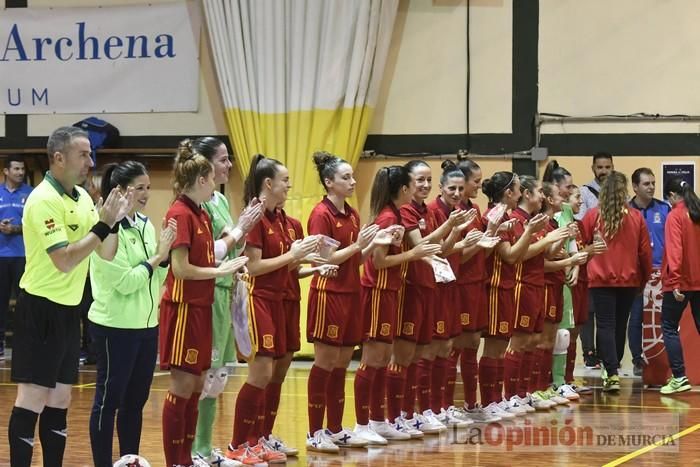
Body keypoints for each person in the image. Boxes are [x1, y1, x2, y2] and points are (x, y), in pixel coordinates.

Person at [8, 126, 133, 467]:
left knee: (61, 398)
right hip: (39, 310)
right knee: (32, 397)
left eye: (91, 154)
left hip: (68, 311)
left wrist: (115, 221)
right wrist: (102, 224)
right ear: (59, 158)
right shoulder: (42, 200)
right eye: (84, 154)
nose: (90, 162)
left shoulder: (80, 198)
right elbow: (64, 260)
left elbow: (105, 252)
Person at [159, 141, 248, 467]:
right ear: (200, 180)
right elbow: (180, 268)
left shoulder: (199, 213)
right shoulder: (179, 213)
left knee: (197, 384)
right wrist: (219, 269)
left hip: (201, 306)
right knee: (184, 384)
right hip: (183, 309)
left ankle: (187, 457)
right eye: (212, 178)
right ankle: (175, 461)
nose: (216, 184)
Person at [227, 154, 317, 463]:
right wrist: (293, 256)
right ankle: (238, 443)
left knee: (275, 373)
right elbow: (253, 267)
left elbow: (287, 265)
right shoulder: (255, 217)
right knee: (261, 372)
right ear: (269, 183)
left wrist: (310, 262)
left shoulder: (283, 219)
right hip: (259, 299)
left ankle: (258, 439)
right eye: (285, 180)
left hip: (281, 301)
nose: (289, 186)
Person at [88, 161, 177, 467]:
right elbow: (125, 283)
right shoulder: (105, 229)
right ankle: (102, 462)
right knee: (108, 401)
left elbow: (155, 279)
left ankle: (128, 460)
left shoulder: (145, 225)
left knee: (135, 402)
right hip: (114, 327)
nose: (146, 194)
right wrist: (158, 258)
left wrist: (161, 262)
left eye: (148, 187)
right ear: (122, 191)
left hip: (146, 326)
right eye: (140, 188)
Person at [188, 137, 263, 467]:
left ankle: (205, 447)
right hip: (208, 295)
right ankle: (191, 450)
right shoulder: (198, 203)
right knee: (203, 376)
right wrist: (240, 229)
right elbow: (214, 248)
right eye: (222, 159)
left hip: (227, 292)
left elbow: (232, 243)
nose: (229, 165)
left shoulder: (218, 198)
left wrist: (244, 227)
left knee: (218, 377)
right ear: (204, 165)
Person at [352, 165, 441, 444]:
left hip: (391, 292)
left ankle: (379, 420)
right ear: (404, 189)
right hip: (378, 292)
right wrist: (413, 253)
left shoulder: (396, 215)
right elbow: (378, 262)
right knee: (373, 359)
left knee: (382, 360)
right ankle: (361, 423)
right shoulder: (388, 217)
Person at [306, 151, 380, 452]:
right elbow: (323, 258)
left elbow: (355, 259)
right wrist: (356, 246)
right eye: (345, 177)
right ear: (329, 182)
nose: (352, 181)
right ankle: (314, 432)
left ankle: (335, 429)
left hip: (351, 293)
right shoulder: (321, 214)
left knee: (340, 364)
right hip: (329, 294)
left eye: (353, 176)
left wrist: (372, 244)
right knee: (325, 362)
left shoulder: (351, 214)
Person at [479, 172, 547, 419]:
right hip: (496, 286)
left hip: (506, 287)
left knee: (500, 347)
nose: (520, 195)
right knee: (495, 347)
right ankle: (490, 401)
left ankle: (498, 400)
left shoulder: (505, 217)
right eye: (518, 190)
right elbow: (510, 255)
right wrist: (530, 232)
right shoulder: (495, 216)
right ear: (509, 193)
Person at [581, 171, 652, 392]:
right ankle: (613, 368)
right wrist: (644, 280)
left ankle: (610, 372)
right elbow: (644, 254)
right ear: (624, 192)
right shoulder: (635, 217)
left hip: (600, 280)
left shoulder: (592, 216)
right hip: (628, 280)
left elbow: (581, 247)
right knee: (620, 325)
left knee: (605, 325)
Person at [505, 176, 571, 412]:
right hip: (523, 284)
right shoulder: (516, 220)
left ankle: (526, 392)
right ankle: (511, 395)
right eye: (539, 192)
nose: (543, 196)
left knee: (532, 341)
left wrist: (559, 237)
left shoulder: (533, 220)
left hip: (537, 284)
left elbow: (548, 253)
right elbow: (521, 255)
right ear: (526, 194)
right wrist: (552, 238)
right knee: (520, 341)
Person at [454, 157, 501, 422]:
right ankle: (445, 407)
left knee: (472, 343)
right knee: (453, 344)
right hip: (460, 284)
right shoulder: (454, 213)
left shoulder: (474, 209)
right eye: (476, 181)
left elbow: (480, 251)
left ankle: (472, 403)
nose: (478, 186)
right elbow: (457, 256)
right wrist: (482, 242)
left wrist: (492, 231)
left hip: (477, 283)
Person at [659, 178, 700, 395]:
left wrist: (673, 281)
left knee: (668, 326)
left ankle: (679, 377)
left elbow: (675, 250)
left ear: (673, 196)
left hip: (680, 283)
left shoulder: (675, 215)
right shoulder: (697, 213)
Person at [627, 168, 670, 376]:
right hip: (635, 274)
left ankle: (660, 360)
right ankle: (637, 359)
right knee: (636, 317)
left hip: (660, 273)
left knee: (660, 319)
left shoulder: (664, 209)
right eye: (646, 183)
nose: (651, 187)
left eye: (653, 183)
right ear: (635, 187)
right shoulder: (626, 210)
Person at [576, 152, 614, 369]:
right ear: (593, 168)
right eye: (600, 167)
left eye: (607, 167)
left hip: (612, 258)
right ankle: (589, 353)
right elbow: (580, 223)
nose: (603, 171)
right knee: (588, 310)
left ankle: (606, 353)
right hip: (591, 256)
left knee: (607, 314)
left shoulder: (619, 193)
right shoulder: (585, 192)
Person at [0, 155, 32, 359]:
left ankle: (24, 343)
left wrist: (15, 229)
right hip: (1, 256)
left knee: (24, 302)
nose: (20, 173)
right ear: (6, 171)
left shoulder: (31, 194)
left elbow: (35, 225)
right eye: (16, 169)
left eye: (22, 169)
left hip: (23, 255)